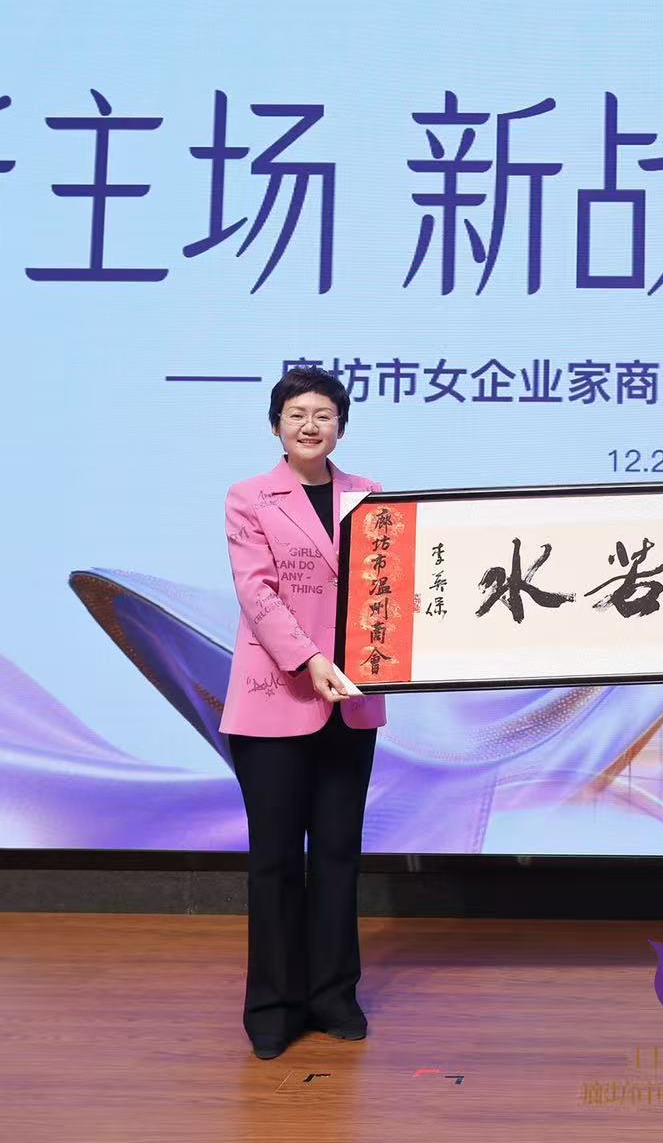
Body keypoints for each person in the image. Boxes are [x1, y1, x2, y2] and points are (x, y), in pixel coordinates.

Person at [221, 367, 387, 1060]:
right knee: (276, 860)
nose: (310, 425)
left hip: (352, 700)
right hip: (276, 697)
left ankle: (333, 997)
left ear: (340, 427)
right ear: (276, 426)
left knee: (339, 857)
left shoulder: (372, 497)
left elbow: (390, 590)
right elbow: (256, 594)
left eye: (323, 414)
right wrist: (309, 659)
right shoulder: (249, 497)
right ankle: (274, 1007)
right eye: (297, 414)